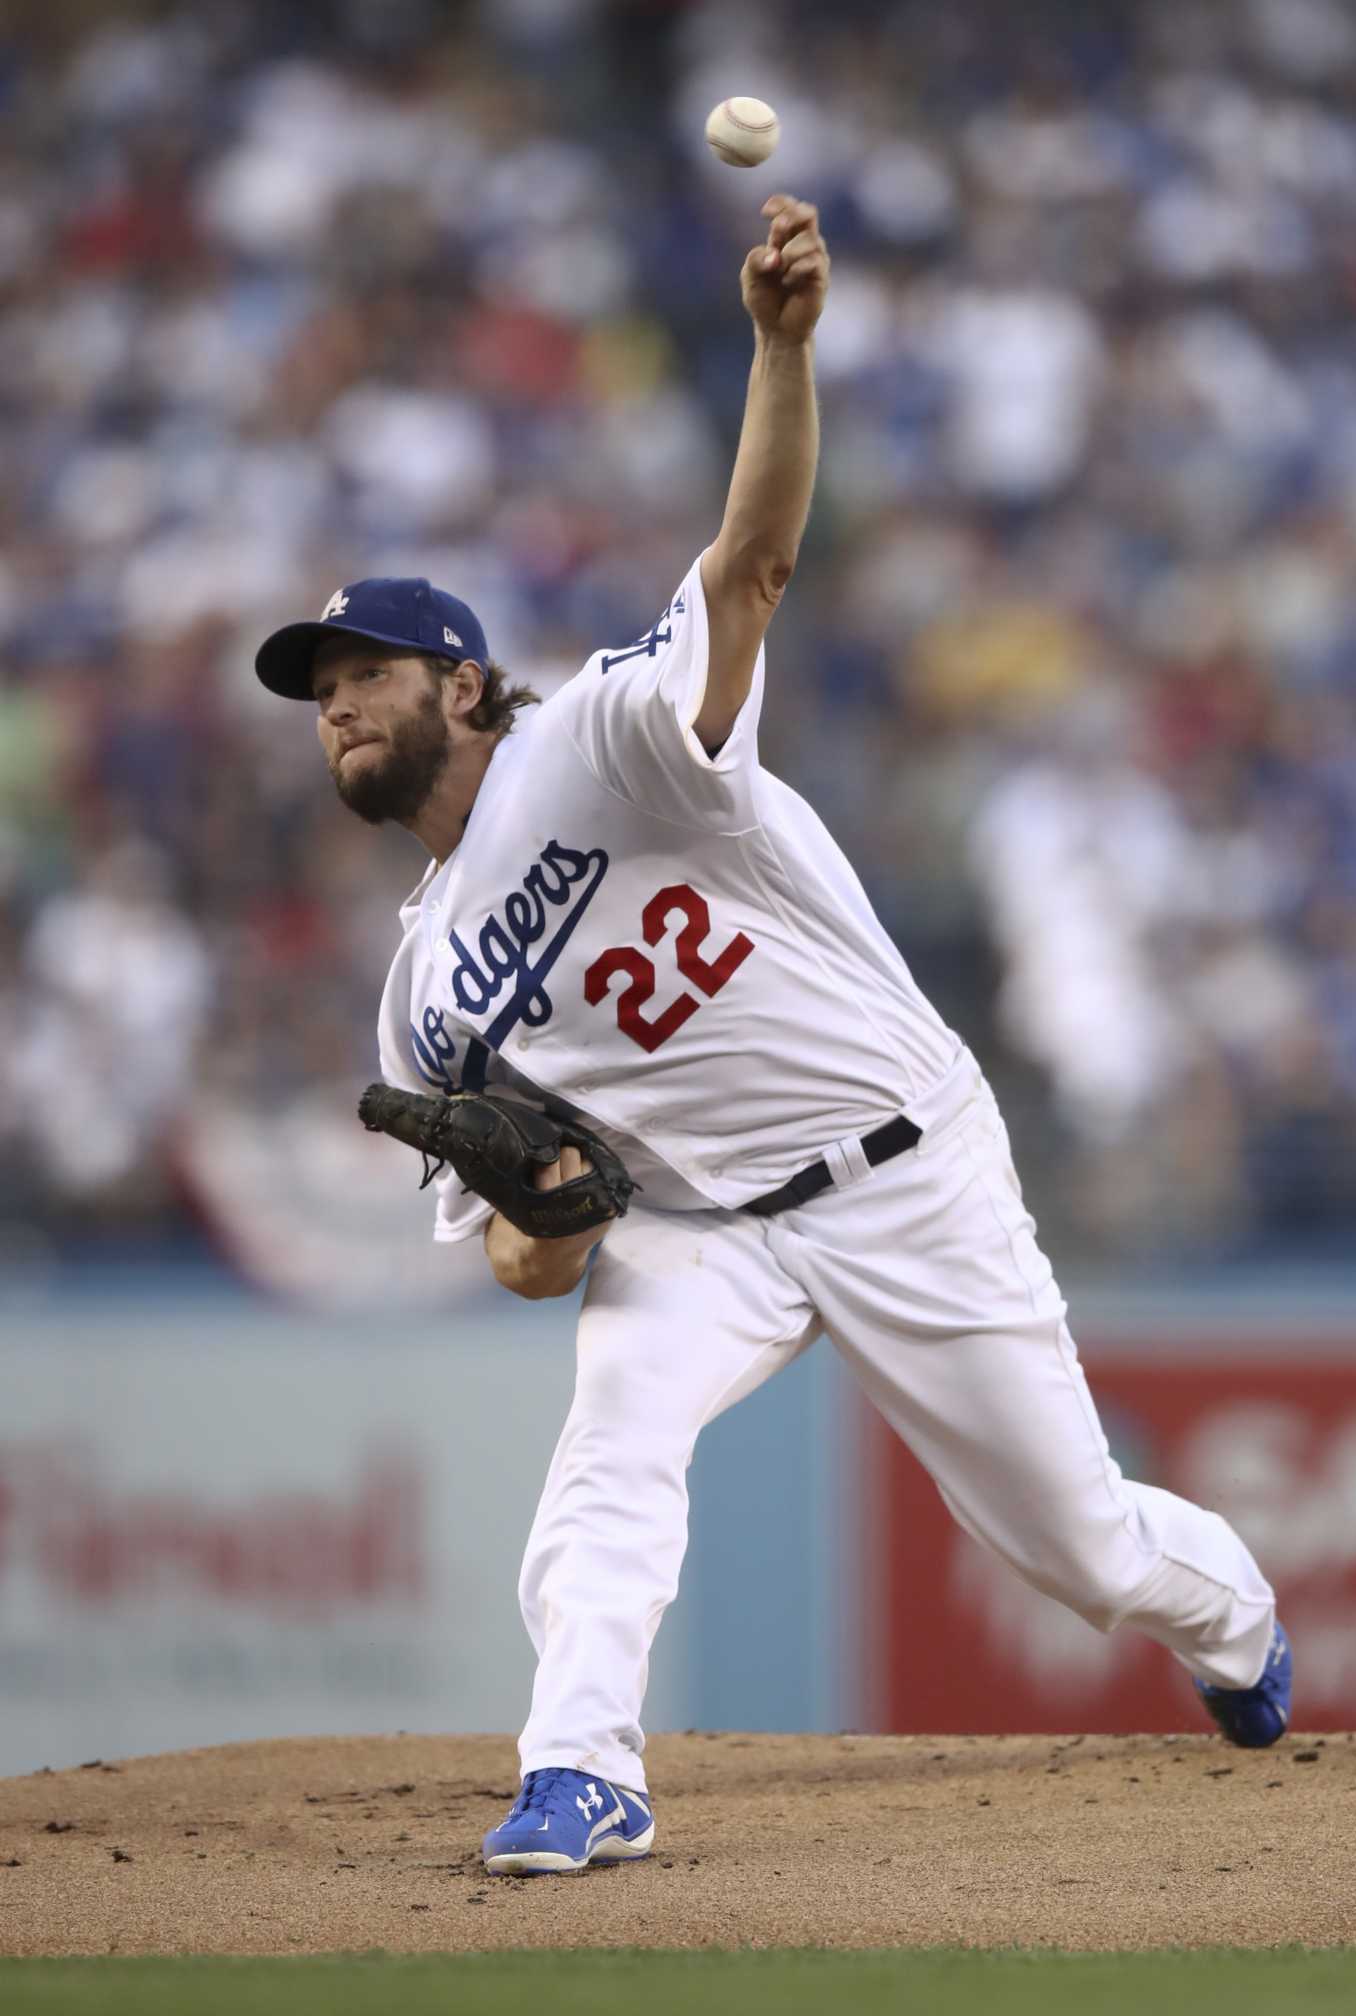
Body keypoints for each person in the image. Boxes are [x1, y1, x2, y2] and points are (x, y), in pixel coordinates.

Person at [255, 195, 1291, 1879]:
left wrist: (780, 348)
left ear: (460, 683)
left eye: (363, 669)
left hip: (899, 1161)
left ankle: (1232, 1620)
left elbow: (748, 567)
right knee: (607, 1458)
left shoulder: (594, 744)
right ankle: (581, 1775)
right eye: (315, 694)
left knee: (1077, 1551)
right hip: (700, 1229)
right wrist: (550, 1211)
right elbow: (519, 1260)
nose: (335, 706)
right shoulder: (421, 989)